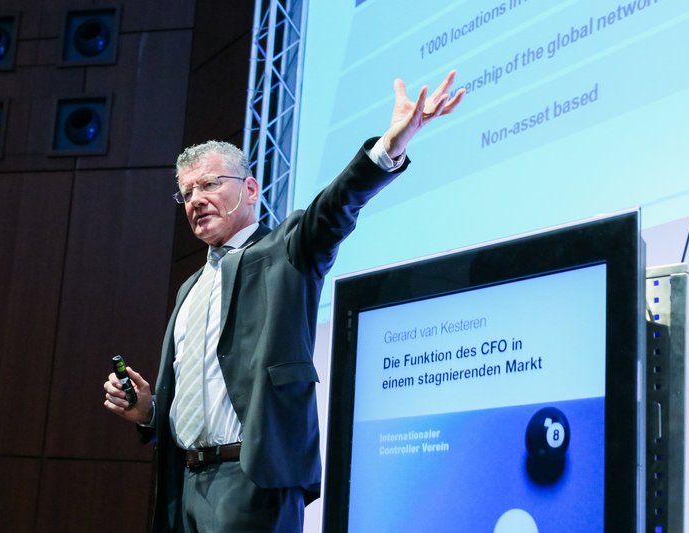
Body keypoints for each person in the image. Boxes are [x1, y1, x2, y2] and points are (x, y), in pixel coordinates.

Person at [103, 70, 466, 532]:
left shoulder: (288, 249)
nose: (196, 199)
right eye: (187, 192)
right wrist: (149, 411)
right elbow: (199, 392)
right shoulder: (189, 288)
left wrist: (389, 148)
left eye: (210, 184)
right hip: (183, 485)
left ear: (250, 190)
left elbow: (336, 205)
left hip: (252, 479)